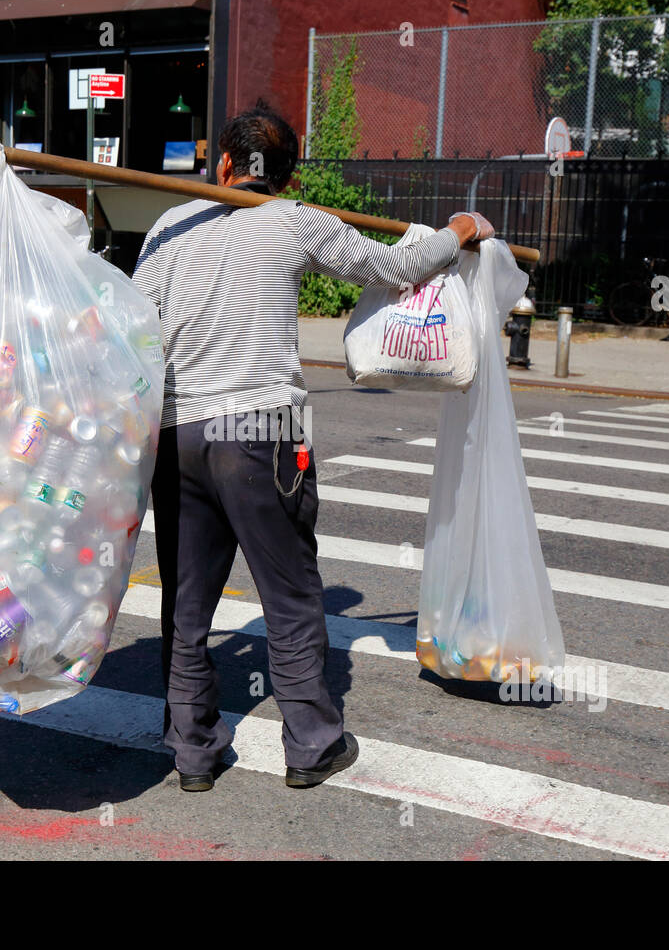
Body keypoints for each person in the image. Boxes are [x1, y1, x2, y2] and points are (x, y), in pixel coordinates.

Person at [131, 100, 493, 792]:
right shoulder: (297, 221)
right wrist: (459, 229)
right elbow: (398, 266)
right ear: (288, 176)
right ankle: (312, 743)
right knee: (291, 595)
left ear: (225, 163)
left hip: (178, 434)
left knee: (185, 603)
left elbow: (130, 320)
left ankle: (192, 749)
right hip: (260, 433)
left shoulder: (171, 223)